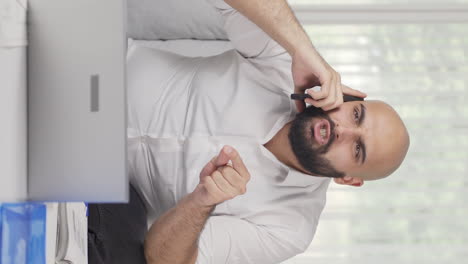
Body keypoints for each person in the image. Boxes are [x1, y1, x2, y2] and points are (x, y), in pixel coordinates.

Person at [123, 0, 411, 263]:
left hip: (94, 181)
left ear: (349, 179)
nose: (342, 129)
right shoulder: (283, 66)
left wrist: (202, 201)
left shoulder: (288, 228)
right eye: (356, 115)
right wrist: (301, 48)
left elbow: (162, 259)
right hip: (101, 66)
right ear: (352, 99)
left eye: (357, 148)